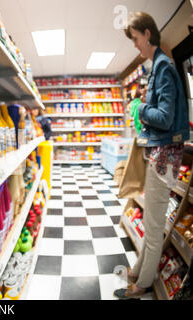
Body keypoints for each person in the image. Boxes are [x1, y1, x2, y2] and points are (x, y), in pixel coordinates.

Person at [114, 12, 190, 299]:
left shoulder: (165, 68)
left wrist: (140, 107)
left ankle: (142, 284)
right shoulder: (158, 67)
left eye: (135, 38)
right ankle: (138, 270)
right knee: (151, 221)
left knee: (155, 225)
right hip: (160, 155)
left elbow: (165, 116)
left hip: (164, 157)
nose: (134, 44)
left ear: (147, 33)